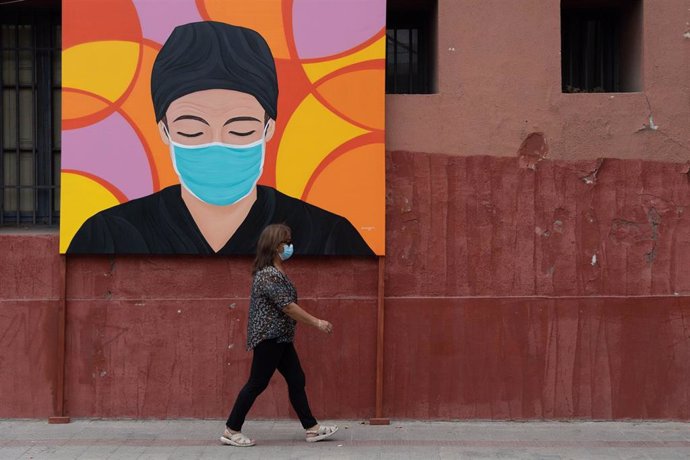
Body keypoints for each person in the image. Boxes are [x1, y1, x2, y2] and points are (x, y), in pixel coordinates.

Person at [67, 21, 374, 256]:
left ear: (269, 129)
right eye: (192, 130)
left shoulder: (325, 235)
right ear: (164, 130)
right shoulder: (110, 234)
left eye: (240, 130)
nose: (217, 145)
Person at [221, 224, 338, 447]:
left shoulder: (277, 272)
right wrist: (317, 322)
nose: (290, 246)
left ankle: (312, 429)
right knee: (257, 383)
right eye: (287, 242)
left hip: (281, 337)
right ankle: (231, 429)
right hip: (269, 338)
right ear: (276, 246)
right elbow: (288, 306)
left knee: (296, 378)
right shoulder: (268, 276)